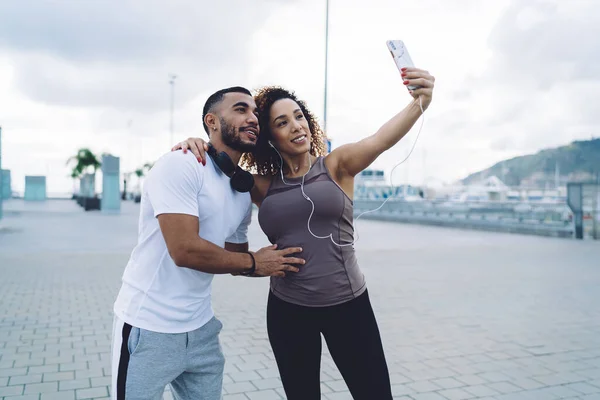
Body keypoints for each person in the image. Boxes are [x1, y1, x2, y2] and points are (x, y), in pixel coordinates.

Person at [173, 67, 435, 399]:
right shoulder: (262, 187)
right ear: (270, 138)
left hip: (348, 306)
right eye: (282, 122)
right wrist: (198, 144)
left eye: (298, 117)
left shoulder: (338, 165)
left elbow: (381, 138)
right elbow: (222, 164)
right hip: (287, 310)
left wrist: (420, 102)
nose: (295, 125)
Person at [111, 86, 305, 400]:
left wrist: (272, 262)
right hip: (147, 327)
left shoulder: (241, 189)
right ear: (211, 121)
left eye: (256, 112)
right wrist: (255, 262)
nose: (253, 117)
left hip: (202, 331)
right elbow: (184, 250)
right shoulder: (181, 165)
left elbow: (235, 259)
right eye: (241, 109)